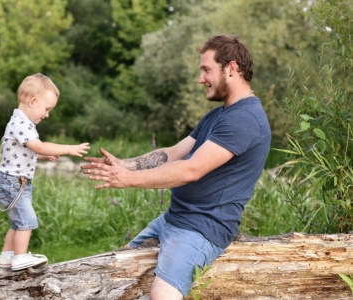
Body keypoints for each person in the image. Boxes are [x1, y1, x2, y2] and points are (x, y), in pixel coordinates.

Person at [82, 35, 271, 299]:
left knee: (162, 294)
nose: (200, 79)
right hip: (175, 218)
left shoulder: (245, 119)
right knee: (117, 268)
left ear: (231, 68)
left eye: (206, 70)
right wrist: (124, 165)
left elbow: (190, 170)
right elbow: (173, 153)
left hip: (202, 228)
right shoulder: (219, 115)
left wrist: (127, 179)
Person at [0, 73, 90, 271]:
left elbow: (22, 153)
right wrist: (68, 149)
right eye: (47, 109)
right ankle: (20, 258)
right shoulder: (21, 123)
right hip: (13, 183)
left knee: (17, 222)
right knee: (27, 221)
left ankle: (7, 256)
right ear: (33, 101)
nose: (47, 115)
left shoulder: (21, 122)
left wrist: (42, 157)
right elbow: (39, 146)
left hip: (14, 181)